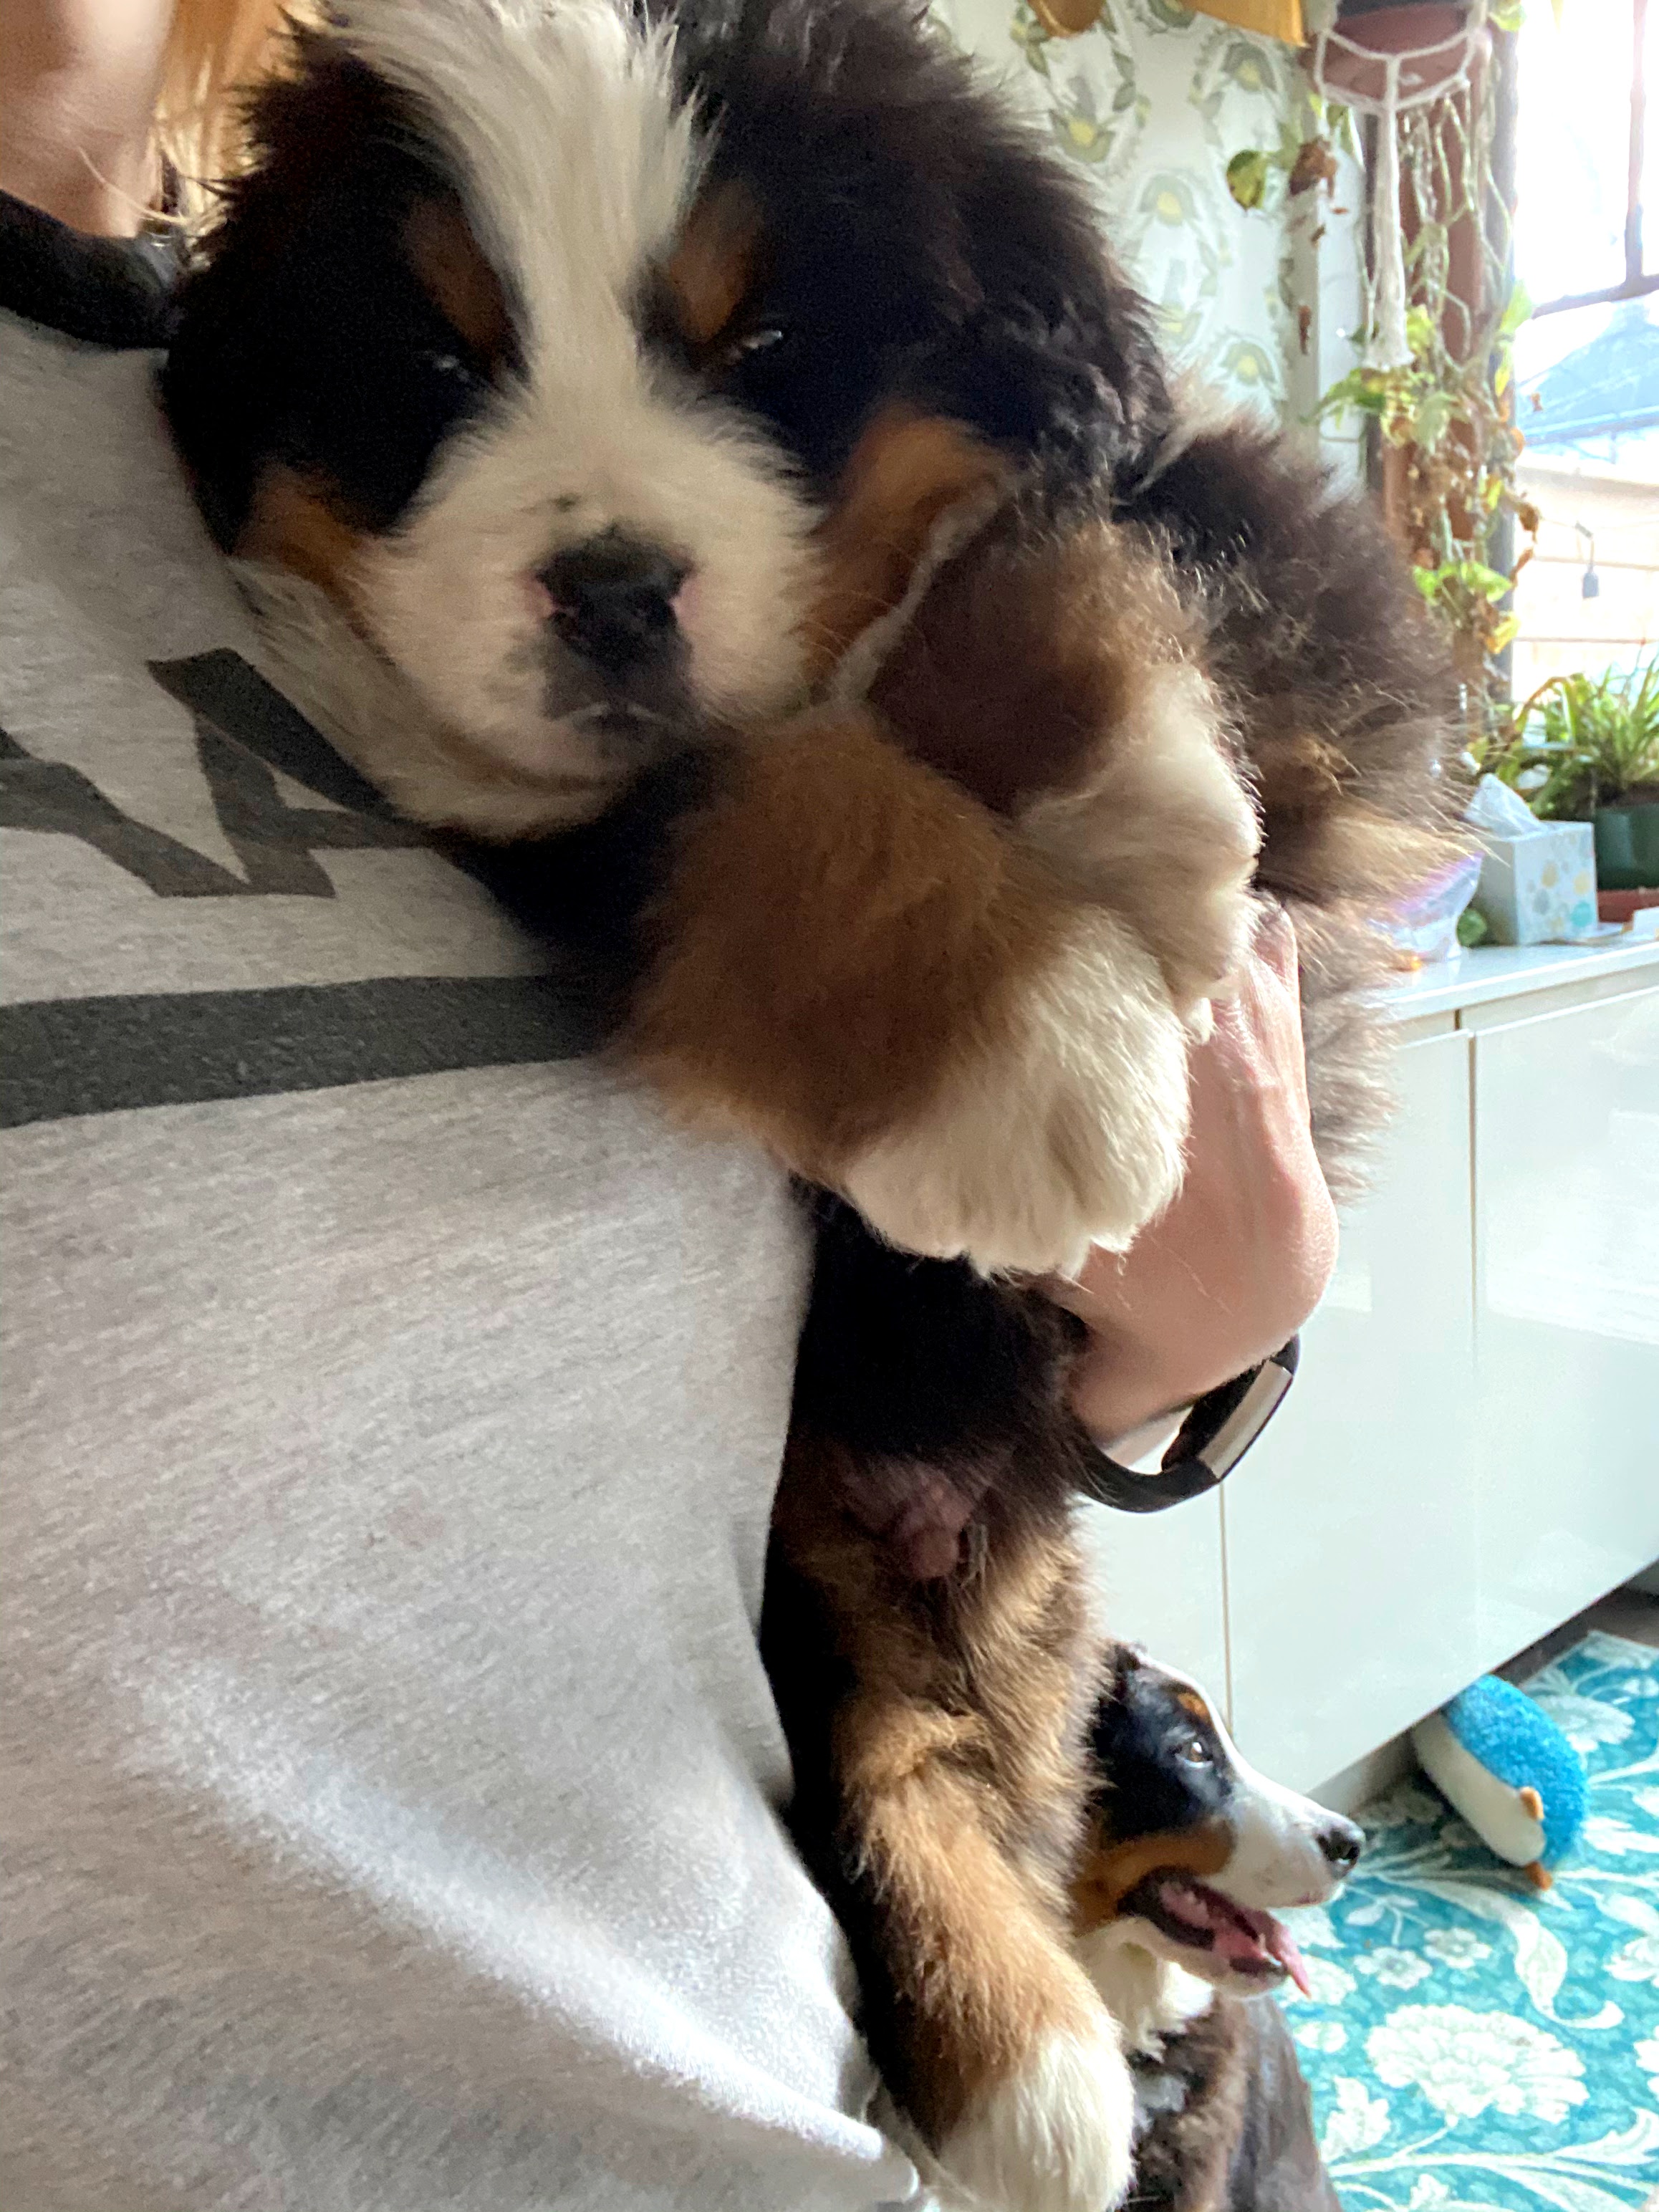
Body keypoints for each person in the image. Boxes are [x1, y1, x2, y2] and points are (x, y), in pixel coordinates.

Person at [0, 2, 1337, 2203]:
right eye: (452, 378)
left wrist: (1188, 1352)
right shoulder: (286, 379)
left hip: (888, 2048)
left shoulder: (234, 328)